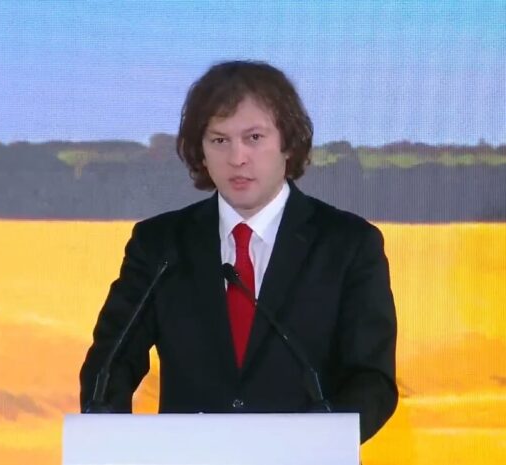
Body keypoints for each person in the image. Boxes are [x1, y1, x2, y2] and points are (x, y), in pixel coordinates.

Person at [80, 60, 397, 443]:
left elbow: (372, 379)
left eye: (254, 138)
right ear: (200, 152)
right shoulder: (160, 244)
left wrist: (318, 441)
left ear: (288, 143)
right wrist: (109, 436)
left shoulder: (348, 244)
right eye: (219, 140)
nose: (237, 158)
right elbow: (110, 362)